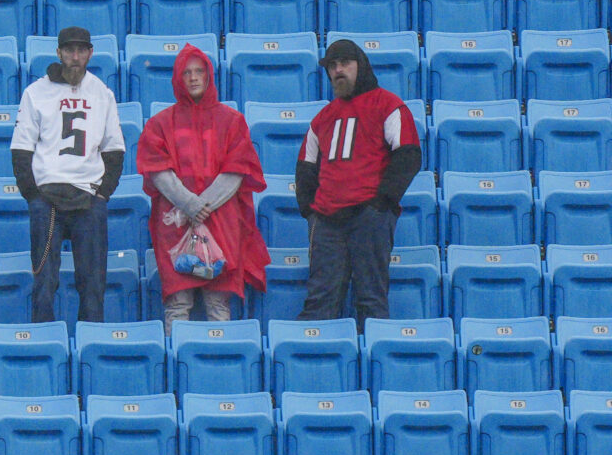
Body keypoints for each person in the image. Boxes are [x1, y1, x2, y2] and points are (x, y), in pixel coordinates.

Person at [138, 43, 268, 324]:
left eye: (199, 71)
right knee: (177, 305)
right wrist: (190, 205)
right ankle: (176, 366)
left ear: (209, 76)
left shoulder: (233, 121)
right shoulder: (160, 124)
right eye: (186, 73)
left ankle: (219, 364)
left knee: (218, 304)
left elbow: (237, 169)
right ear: (177, 78)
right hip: (175, 221)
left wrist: (198, 207)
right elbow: (158, 170)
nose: (194, 78)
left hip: (221, 221)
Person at [297, 37, 422, 321]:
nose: (338, 71)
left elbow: (409, 155)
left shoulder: (388, 105)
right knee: (320, 300)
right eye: (332, 66)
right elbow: (305, 168)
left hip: (370, 217)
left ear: (360, 66)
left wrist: (381, 203)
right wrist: (311, 213)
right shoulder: (323, 118)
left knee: (370, 299)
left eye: (344, 64)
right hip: (327, 221)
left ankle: (375, 363)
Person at [10, 25, 126, 323]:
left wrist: (102, 195)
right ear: (59, 52)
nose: (75, 57)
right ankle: (43, 344)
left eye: (81, 50)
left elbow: (114, 150)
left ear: (90, 53)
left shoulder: (103, 93)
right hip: (47, 201)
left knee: (92, 284)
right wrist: (33, 196)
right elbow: (21, 149)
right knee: (45, 283)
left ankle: (92, 345)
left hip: (88, 200)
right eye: (69, 50)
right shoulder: (35, 92)